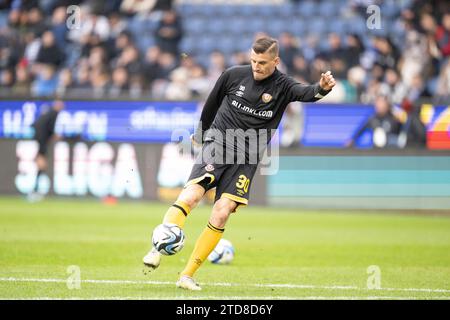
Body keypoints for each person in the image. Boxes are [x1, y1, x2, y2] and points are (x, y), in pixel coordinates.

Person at [142, 36, 336, 290]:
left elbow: (306, 93)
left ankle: (186, 276)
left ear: (276, 61)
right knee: (191, 196)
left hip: (247, 159)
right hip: (219, 144)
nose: (256, 66)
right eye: (253, 60)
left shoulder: (283, 86)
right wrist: (201, 134)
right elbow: (211, 104)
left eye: (263, 62)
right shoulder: (233, 75)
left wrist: (321, 87)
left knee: (221, 213)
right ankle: (158, 247)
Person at [28, 100, 65, 201]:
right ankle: (34, 192)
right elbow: (50, 128)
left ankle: (35, 190)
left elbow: (34, 125)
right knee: (41, 166)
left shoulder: (47, 113)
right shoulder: (53, 113)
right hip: (41, 142)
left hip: (38, 140)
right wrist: (55, 135)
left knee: (41, 166)